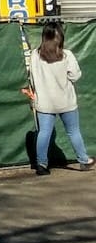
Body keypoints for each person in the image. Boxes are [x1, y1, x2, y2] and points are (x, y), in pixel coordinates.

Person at [29, 22, 92, 175]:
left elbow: (31, 78)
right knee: (73, 131)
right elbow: (75, 76)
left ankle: (41, 165)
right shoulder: (66, 55)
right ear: (60, 37)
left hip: (44, 101)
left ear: (44, 37)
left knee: (44, 132)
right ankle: (84, 161)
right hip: (66, 101)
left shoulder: (35, 55)